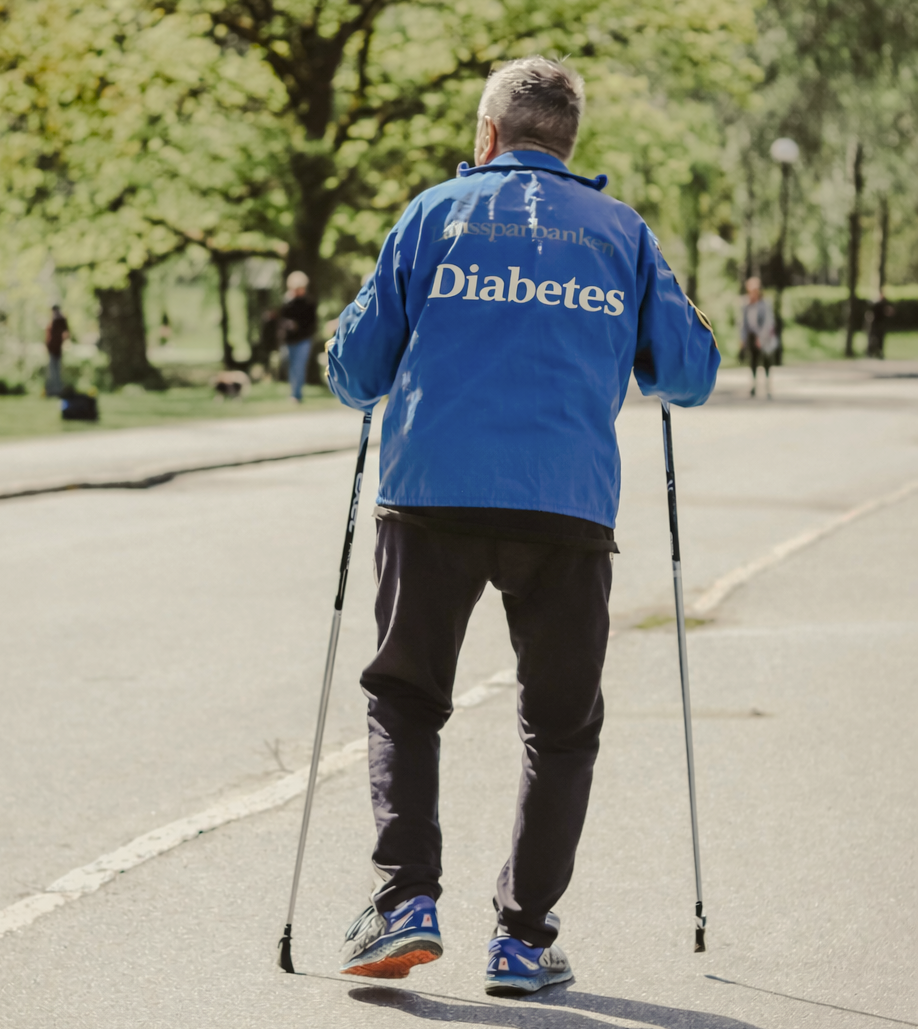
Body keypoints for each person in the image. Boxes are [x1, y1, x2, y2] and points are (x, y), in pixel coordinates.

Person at [325, 56, 719, 996]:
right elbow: (690, 373)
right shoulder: (622, 231)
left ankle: (404, 900)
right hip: (565, 504)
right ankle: (523, 938)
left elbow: (355, 372)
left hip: (431, 493)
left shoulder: (430, 215)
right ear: (567, 142)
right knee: (560, 725)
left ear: (488, 135)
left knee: (407, 696)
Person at [279, 271, 317, 402]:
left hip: (303, 339)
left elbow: (311, 323)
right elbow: (281, 319)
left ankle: (296, 394)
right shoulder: (287, 302)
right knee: (289, 365)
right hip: (289, 340)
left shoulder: (309, 303)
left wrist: (298, 326)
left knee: (299, 366)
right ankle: (293, 391)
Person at [739, 277, 777, 398]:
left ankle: (767, 386)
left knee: (766, 361)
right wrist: (742, 338)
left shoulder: (765, 304)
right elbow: (743, 323)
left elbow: (768, 322)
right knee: (753, 361)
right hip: (751, 335)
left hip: (763, 337)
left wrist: (761, 338)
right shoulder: (746, 305)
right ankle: (754, 385)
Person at [44, 304, 70, 397]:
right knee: (56, 370)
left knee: (53, 371)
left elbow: (64, 334)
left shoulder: (57, 319)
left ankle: (54, 390)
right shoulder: (61, 319)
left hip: (54, 348)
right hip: (56, 348)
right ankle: (55, 390)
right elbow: (66, 333)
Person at [865, 290, 894, 359]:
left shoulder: (883, 303)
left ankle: (878, 353)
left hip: (880, 324)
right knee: (873, 339)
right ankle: (871, 353)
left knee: (879, 339)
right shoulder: (876, 304)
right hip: (874, 324)